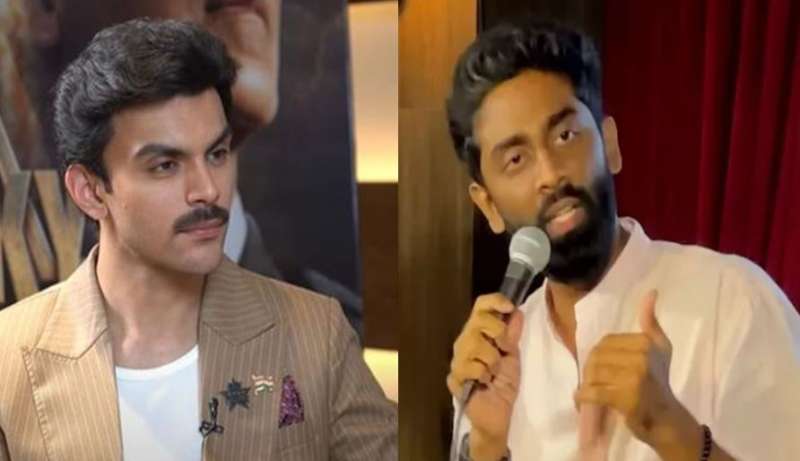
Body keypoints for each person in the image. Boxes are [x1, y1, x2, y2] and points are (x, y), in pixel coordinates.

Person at [0, 19, 396, 460]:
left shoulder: (316, 332)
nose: (207, 189)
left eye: (216, 154)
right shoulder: (8, 357)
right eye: (166, 166)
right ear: (90, 191)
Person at [445, 20, 800, 461]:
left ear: (609, 143)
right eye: (516, 159)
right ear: (488, 206)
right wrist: (487, 445)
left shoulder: (735, 301)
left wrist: (670, 429)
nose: (551, 173)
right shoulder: (496, 362)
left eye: (565, 135)